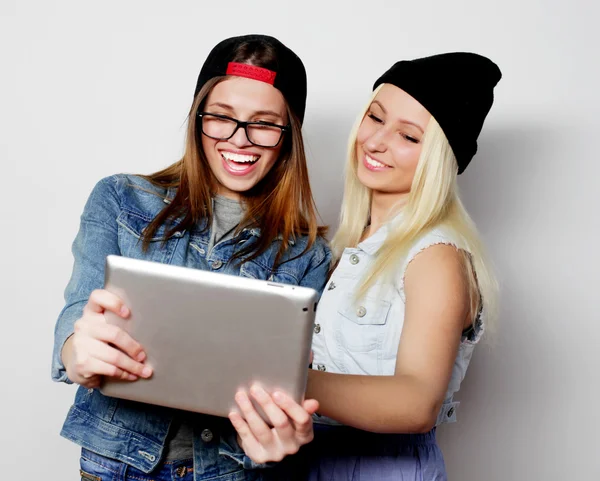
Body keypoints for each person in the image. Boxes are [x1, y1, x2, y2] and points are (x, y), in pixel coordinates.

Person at [51, 34, 331, 481]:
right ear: (199, 119)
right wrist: (75, 350)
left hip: (233, 471)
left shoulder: (308, 253)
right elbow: (76, 312)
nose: (241, 140)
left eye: (264, 123)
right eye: (221, 118)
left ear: (288, 136)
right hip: (117, 466)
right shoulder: (120, 198)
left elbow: (292, 385)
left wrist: (287, 432)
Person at [231, 53, 502, 480]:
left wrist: (279, 378)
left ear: (440, 158)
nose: (375, 141)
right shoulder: (343, 247)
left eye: (409, 137)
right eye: (375, 118)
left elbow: (417, 403)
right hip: (302, 461)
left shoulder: (436, 256)